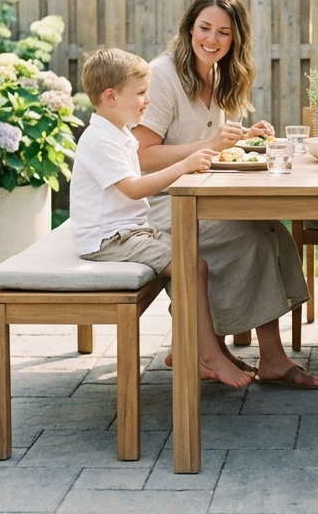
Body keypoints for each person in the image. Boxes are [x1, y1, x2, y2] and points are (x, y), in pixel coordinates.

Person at [132, 0, 318, 389]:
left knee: (270, 228)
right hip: (155, 206)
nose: (212, 39)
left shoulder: (216, 74)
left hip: (195, 196)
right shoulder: (164, 77)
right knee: (249, 237)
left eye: (223, 32)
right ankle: (255, 355)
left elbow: (207, 146)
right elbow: (142, 156)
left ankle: (235, 349)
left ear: (235, 37)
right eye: (205, 28)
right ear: (189, 29)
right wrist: (210, 145)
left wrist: (244, 138)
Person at [70, 48, 252, 388]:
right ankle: (207, 355)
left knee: (194, 260)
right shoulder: (99, 141)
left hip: (131, 231)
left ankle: (190, 348)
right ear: (110, 97)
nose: (147, 101)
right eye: (140, 93)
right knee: (190, 265)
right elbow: (135, 189)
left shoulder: (119, 133)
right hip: (109, 240)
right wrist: (182, 165)